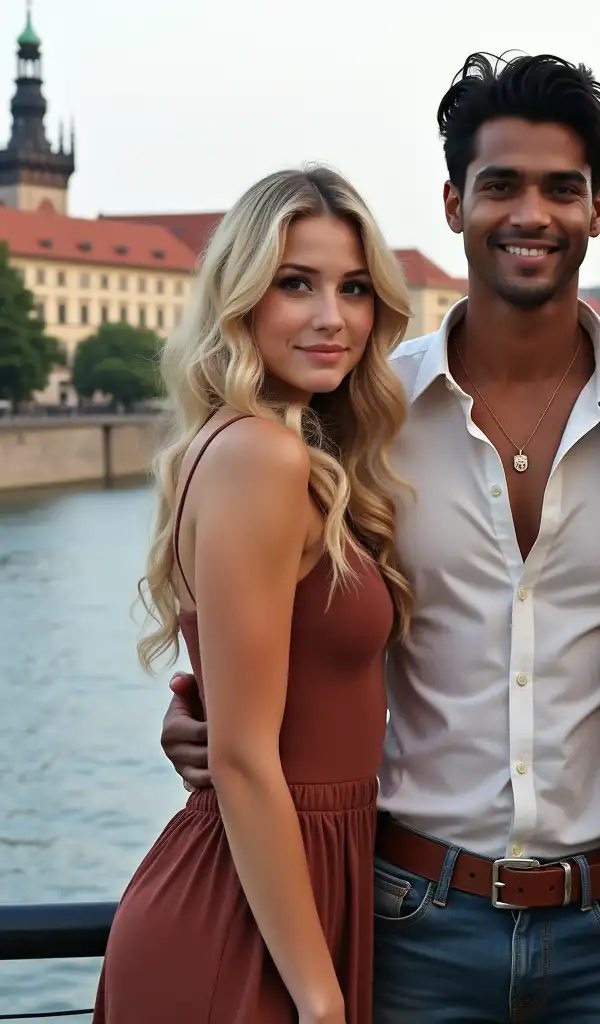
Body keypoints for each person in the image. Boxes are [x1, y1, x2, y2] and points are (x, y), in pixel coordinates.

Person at [159, 54, 600, 1023]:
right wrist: (199, 713)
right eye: (499, 185)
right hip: (411, 919)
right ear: (453, 201)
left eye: (560, 188)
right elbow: (268, 614)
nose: (530, 213)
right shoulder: (361, 415)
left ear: (598, 210)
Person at [94, 166, 415, 1024]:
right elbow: (240, 755)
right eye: (295, 284)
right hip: (250, 907)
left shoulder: (285, 452)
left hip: (297, 882)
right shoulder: (260, 458)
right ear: (240, 301)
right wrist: (318, 999)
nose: (332, 317)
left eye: (353, 289)